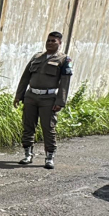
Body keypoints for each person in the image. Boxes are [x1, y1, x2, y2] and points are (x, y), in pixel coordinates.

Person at [15, 31, 73, 169]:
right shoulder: (37, 57)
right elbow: (25, 77)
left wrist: (60, 102)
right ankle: (28, 155)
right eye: (48, 40)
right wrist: (19, 95)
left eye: (54, 41)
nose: (50, 43)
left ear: (60, 43)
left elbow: (65, 82)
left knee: (48, 128)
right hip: (31, 96)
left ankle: (49, 157)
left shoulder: (64, 60)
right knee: (28, 125)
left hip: (48, 98)